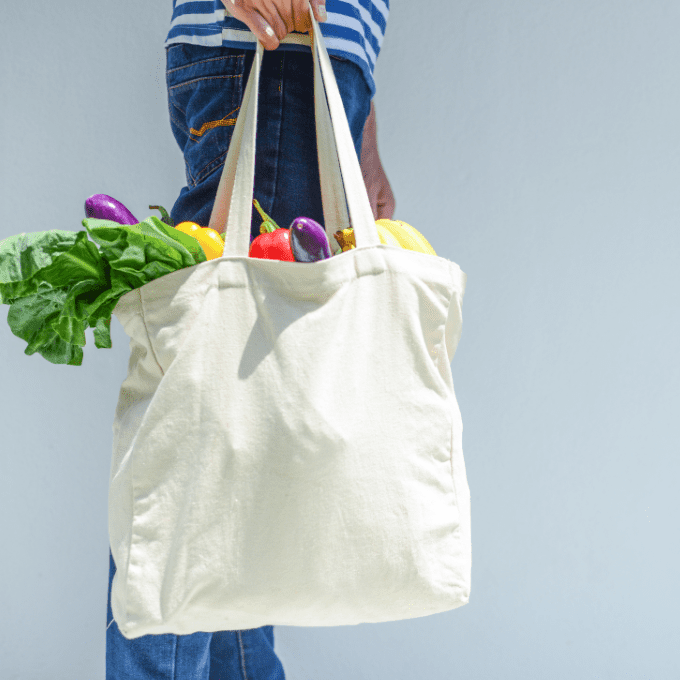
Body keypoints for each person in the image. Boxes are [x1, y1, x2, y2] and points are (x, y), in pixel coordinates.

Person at [106, 1, 392, 677]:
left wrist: (363, 126)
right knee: (202, 433)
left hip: (314, 54)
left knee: (239, 425)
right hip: (272, 45)